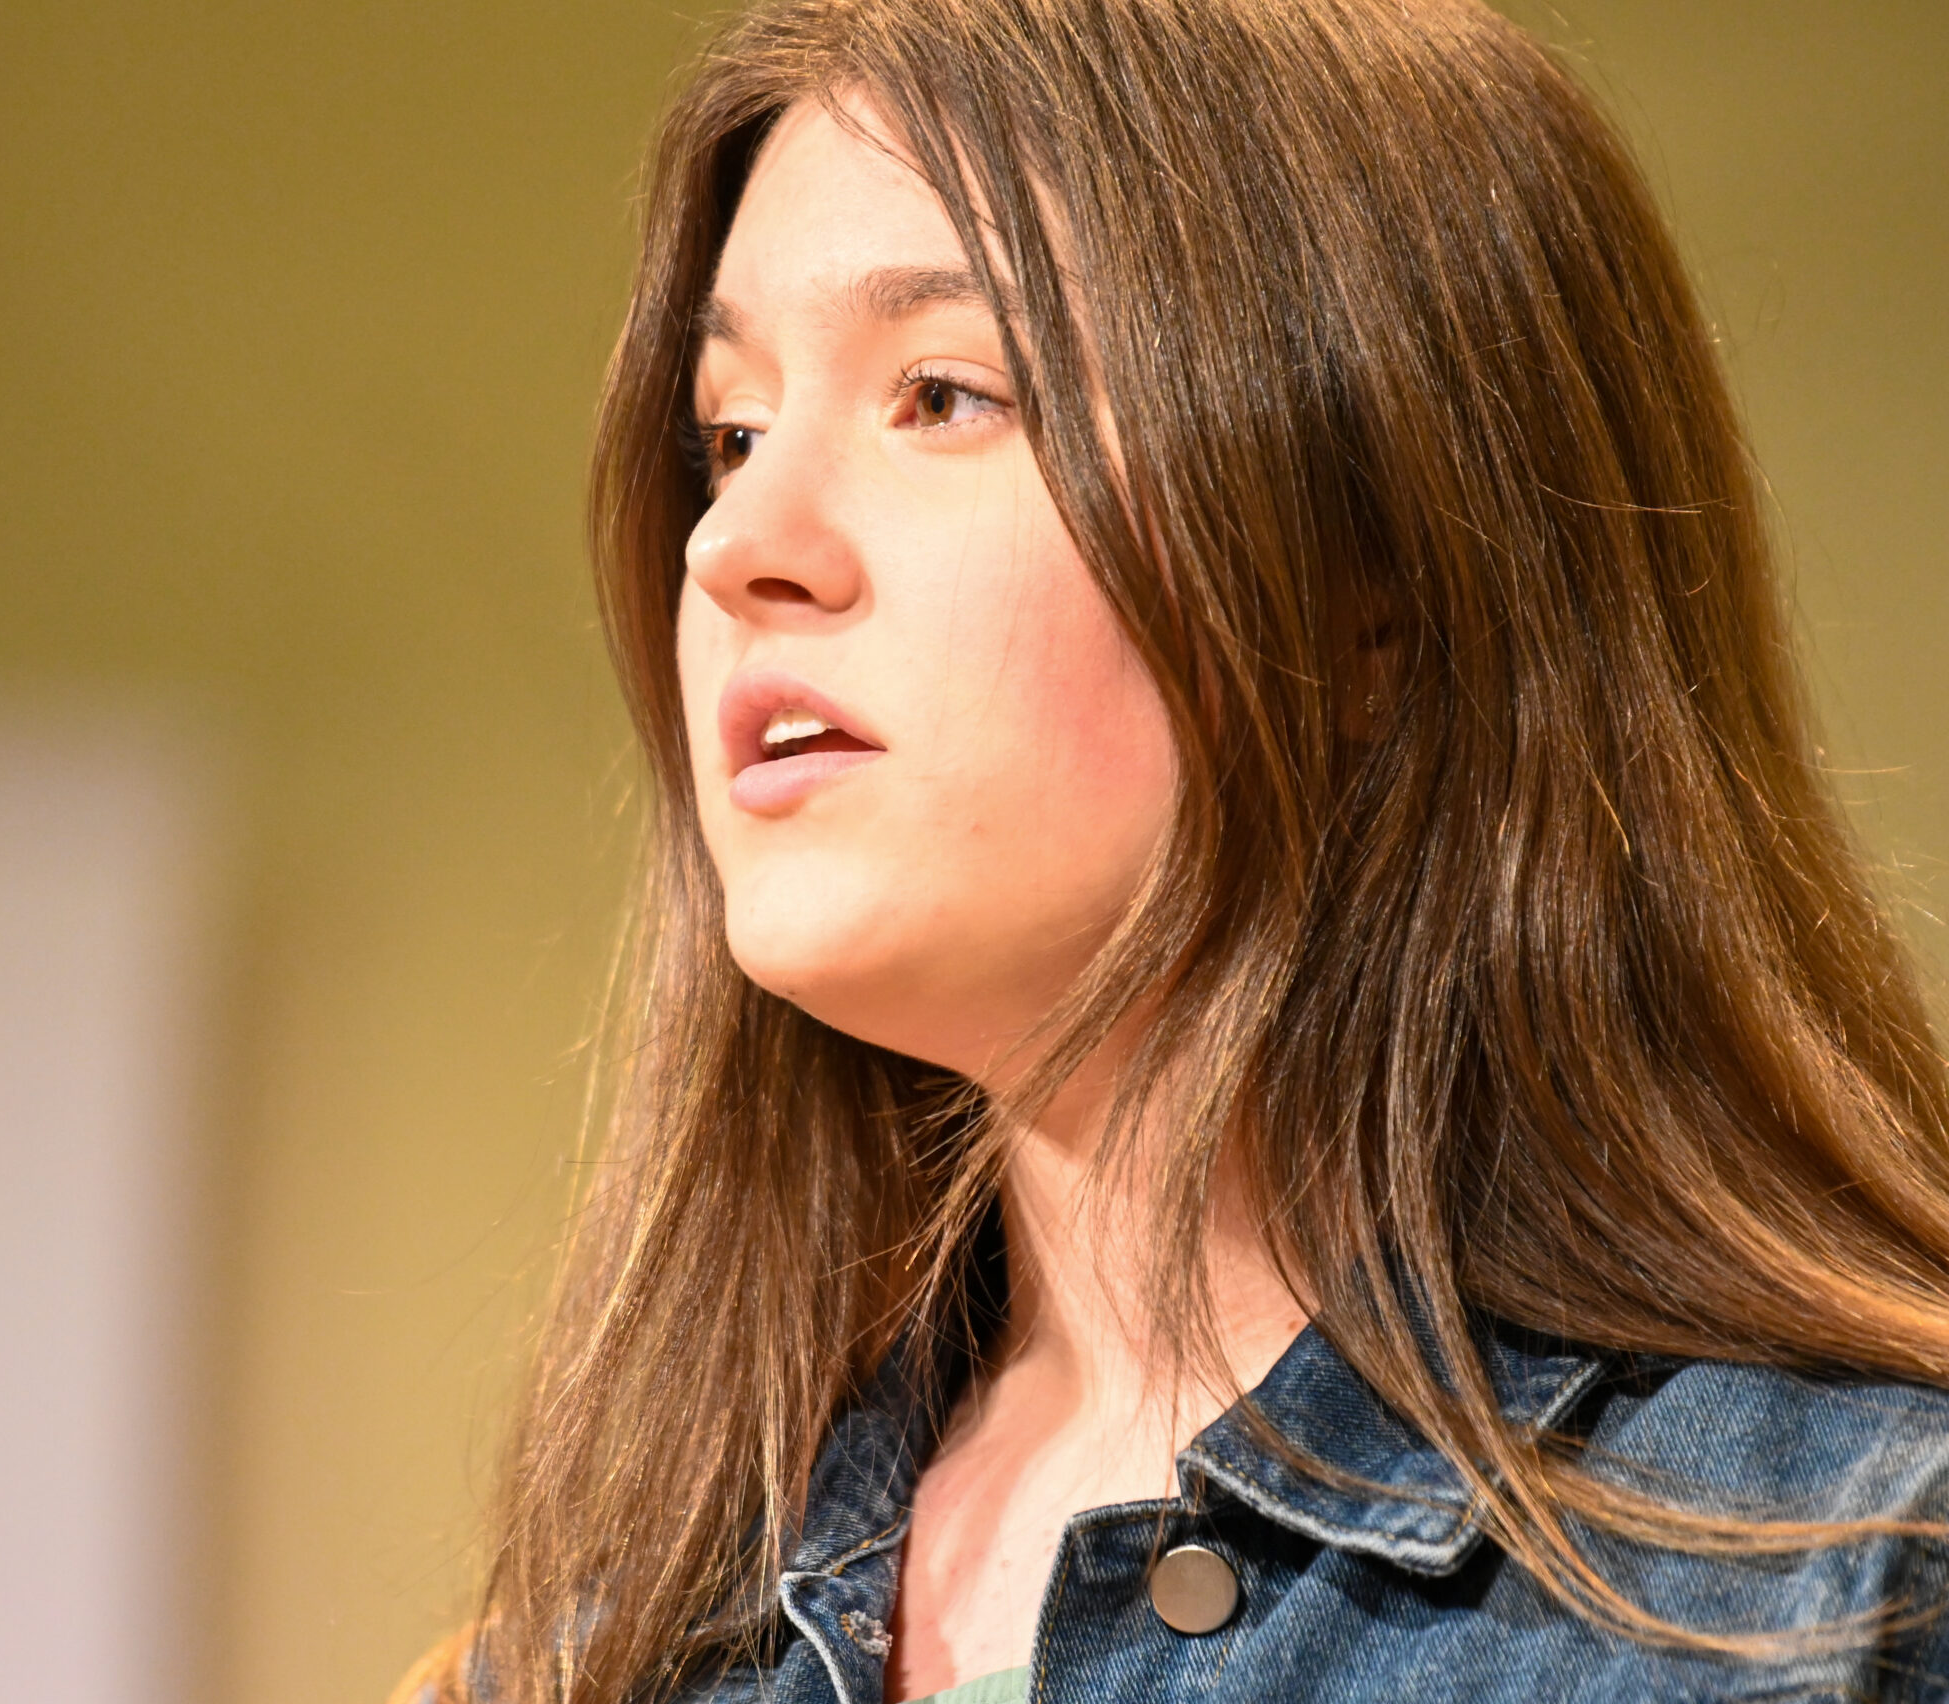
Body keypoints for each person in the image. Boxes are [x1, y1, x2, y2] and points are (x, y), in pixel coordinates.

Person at [399, 1, 1949, 1699]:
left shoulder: (1851, 1583)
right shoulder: (570, 1665)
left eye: (942, 394)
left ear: (1379, 588)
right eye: (733, 433)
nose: (735, 545)